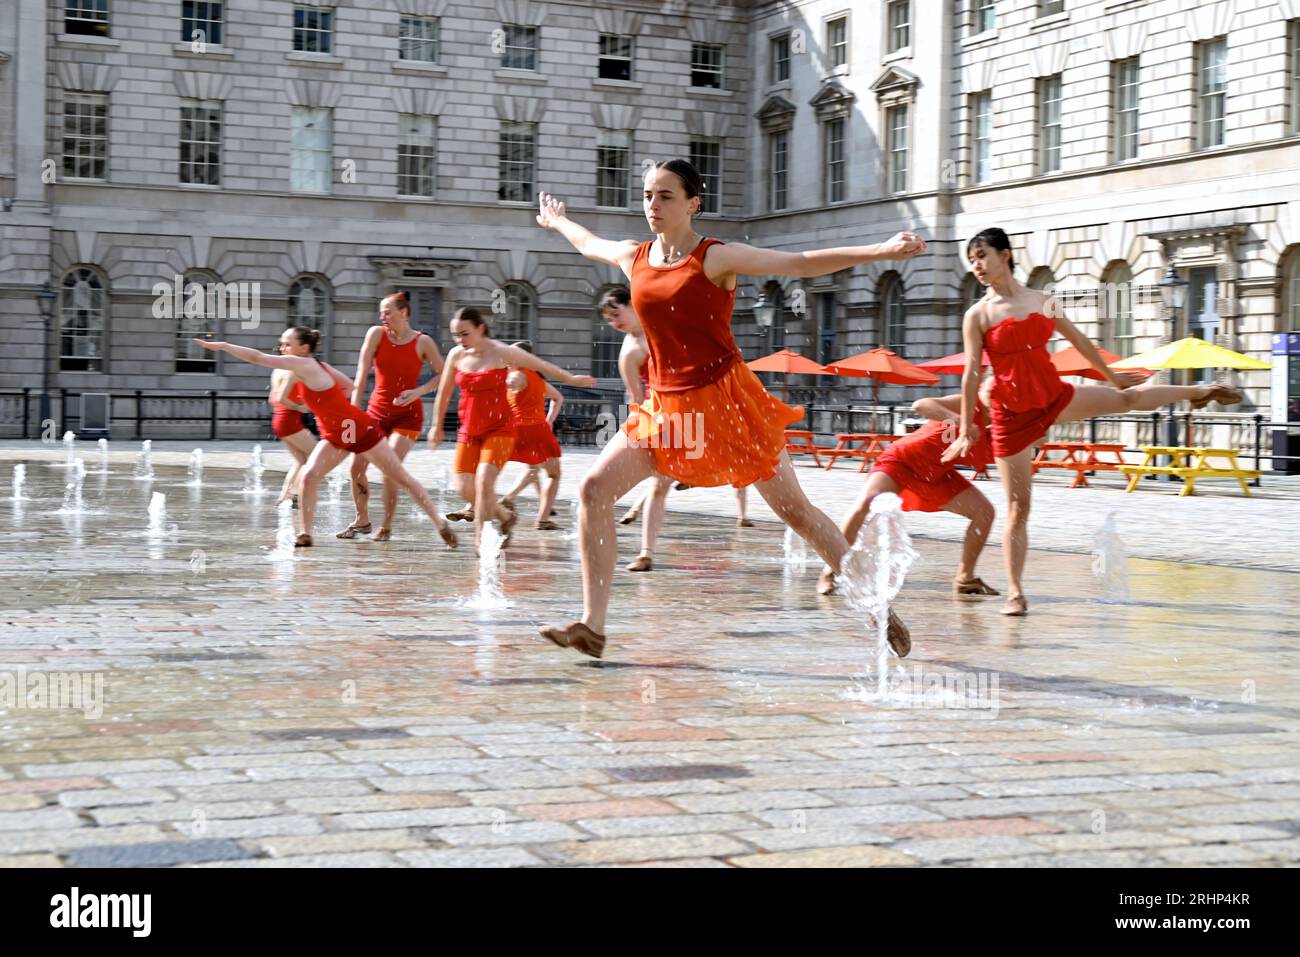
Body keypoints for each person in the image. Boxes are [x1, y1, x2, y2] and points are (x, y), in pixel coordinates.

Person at [533, 159, 927, 658]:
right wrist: (558, 220)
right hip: (668, 408)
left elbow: (800, 263)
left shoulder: (715, 257)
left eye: (665, 196)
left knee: (797, 514)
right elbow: (588, 243)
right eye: (648, 195)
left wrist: (880, 250)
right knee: (593, 489)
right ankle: (593, 625)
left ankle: (878, 608)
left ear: (694, 202)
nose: (652, 205)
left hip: (725, 400)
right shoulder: (633, 257)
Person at [942, 227, 1243, 615]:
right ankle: (1016, 592)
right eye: (972, 260)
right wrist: (968, 427)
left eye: (982, 255)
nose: (977, 266)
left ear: (1006, 254)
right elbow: (969, 373)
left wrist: (1111, 374)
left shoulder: (1043, 301)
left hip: (1051, 396)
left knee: (1129, 397)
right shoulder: (978, 315)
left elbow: (1080, 342)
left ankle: (1199, 391)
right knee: (1019, 507)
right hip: (1009, 414)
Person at [193, 328, 457, 549]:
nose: (282, 348)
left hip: (358, 428)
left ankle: (439, 523)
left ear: (304, 348)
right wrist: (326, 407)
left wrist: (224, 345)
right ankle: (305, 534)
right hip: (337, 433)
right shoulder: (318, 365)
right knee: (309, 476)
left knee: (399, 476)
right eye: (282, 344)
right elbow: (348, 385)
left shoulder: (303, 364)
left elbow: (258, 358)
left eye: (288, 344)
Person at [424, 307, 595, 550]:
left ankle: (481, 542)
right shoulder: (456, 355)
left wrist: (571, 380)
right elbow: (444, 391)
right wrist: (436, 426)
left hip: (500, 428)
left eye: (464, 334)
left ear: (480, 328)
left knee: (484, 482)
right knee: (464, 489)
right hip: (470, 429)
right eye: (455, 335)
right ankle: (505, 516)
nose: (459, 340)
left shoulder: (502, 352)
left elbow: (541, 365)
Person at [821, 387, 998, 599]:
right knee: (865, 503)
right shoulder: (969, 403)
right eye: (992, 386)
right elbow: (921, 405)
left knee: (985, 512)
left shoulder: (1001, 429)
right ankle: (830, 571)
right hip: (902, 461)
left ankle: (965, 578)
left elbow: (1037, 441)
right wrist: (958, 420)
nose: (996, 392)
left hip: (936, 475)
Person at [337, 291, 445, 541]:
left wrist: (418, 391)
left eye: (387, 311)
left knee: (390, 468)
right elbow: (362, 374)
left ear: (403, 313)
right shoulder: (376, 334)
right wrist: (353, 413)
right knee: (355, 468)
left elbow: (443, 375)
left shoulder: (423, 342)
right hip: (376, 412)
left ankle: (385, 527)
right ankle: (362, 520)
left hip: (408, 417)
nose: (382, 316)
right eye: (381, 312)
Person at [500, 341, 565, 530]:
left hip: (514, 429)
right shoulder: (534, 377)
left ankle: (498, 500)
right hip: (536, 430)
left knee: (532, 469)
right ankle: (542, 518)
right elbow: (558, 398)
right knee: (553, 474)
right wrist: (549, 420)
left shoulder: (514, 375)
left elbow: (513, 383)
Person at [268, 365, 314, 508]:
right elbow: (281, 398)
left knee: (300, 460)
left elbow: (272, 399)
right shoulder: (292, 370)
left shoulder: (277, 370)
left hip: (279, 419)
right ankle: (295, 494)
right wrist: (299, 407)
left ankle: (285, 497)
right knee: (316, 455)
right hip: (289, 420)